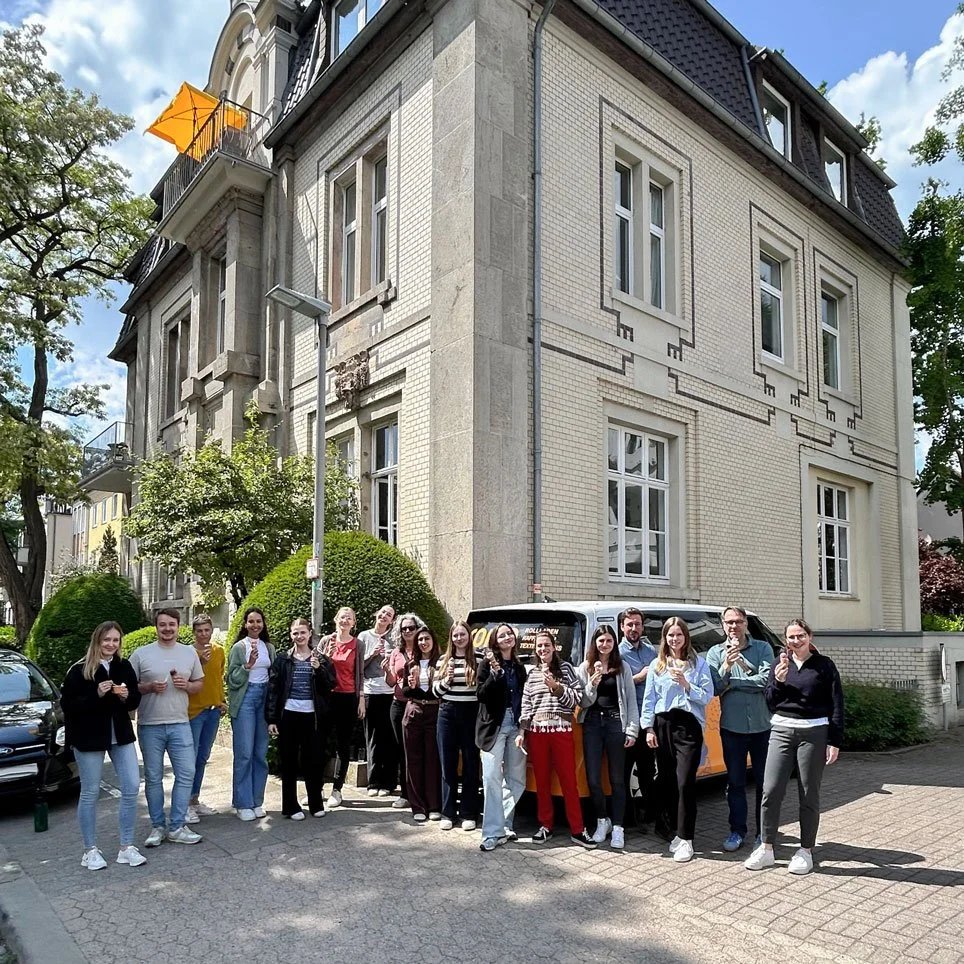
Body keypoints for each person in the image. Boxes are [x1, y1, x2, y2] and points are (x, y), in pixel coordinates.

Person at [744, 618, 844, 876]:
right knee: (770, 789)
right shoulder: (780, 664)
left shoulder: (824, 666)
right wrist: (777, 681)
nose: (796, 641)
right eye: (791, 637)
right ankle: (766, 848)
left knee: (808, 792)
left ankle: (806, 850)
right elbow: (769, 700)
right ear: (785, 640)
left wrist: (834, 740)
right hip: (781, 730)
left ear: (809, 637)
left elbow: (836, 704)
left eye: (800, 636)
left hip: (814, 732)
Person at [61, 621, 144, 870]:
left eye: (115, 640)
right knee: (90, 792)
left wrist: (126, 696)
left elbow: (134, 701)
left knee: (131, 786)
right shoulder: (79, 670)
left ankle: (126, 847)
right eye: (106, 640)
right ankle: (90, 850)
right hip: (88, 738)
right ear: (97, 641)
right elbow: (68, 706)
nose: (111, 644)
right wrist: (95, 695)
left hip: (119, 734)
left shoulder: (124, 666)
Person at [129, 609, 205, 847]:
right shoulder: (141, 654)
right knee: (153, 777)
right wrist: (149, 687)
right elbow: (130, 687)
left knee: (186, 773)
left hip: (180, 722)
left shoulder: (189, 653)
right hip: (150, 724)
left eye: (171, 624)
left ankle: (177, 826)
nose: (167, 629)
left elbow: (199, 684)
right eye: (162, 625)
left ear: (178, 626)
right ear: (156, 627)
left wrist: (188, 685)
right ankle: (157, 826)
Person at [641, 617, 713, 863]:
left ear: (686, 637)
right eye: (670, 635)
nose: (674, 639)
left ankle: (686, 838)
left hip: (688, 726)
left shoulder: (698, 664)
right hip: (663, 725)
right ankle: (671, 828)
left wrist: (686, 684)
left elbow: (706, 697)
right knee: (668, 780)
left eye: (679, 635)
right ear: (665, 638)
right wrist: (648, 728)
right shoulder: (657, 665)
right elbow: (649, 699)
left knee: (685, 782)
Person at [517, 629, 596, 849]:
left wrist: (558, 688)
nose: (543, 649)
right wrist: (522, 732)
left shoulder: (566, 669)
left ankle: (578, 830)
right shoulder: (532, 674)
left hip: (561, 730)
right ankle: (546, 825)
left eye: (547, 645)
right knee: (542, 781)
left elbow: (577, 698)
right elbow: (526, 706)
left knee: (569, 781)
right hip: (537, 733)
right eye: (539, 646)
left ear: (554, 647)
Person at [706, 605, 772, 852]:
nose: (734, 626)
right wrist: (725, 667)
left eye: (738, 621)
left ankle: (763, 833)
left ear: (745, 624)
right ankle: (737, 831)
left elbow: (766, 681)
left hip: (761, 726)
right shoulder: (715, 652)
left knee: (765, 783)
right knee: (734, 782)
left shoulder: (762, 648)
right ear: (723, 625)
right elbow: (714, 687)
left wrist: (733, 682)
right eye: (729, 622)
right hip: (731, 727)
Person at [576, 625, 640, 850]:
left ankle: (619, 827)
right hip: (592, 723)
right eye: (601, 640)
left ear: (614, 643)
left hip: (615, 723)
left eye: (609, 641)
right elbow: (583, 702)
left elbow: (631, 701)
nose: (604, 644)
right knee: (593, 778)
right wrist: (592, 683)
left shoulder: (623, 667)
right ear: (594, 643)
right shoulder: (584, 668)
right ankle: (603, 821)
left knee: (617, 779)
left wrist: (632, 730)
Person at [266, 617, 336, 819]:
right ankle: (290, 806)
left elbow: (331, 684)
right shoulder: (283, 660)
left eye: (302, 632)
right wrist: (272, 719)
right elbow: (273, 691)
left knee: (313, 760)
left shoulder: (321, 659)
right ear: (291, 635)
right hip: (288, 714)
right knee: (288, 762)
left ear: (310, 633)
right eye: (295, 633)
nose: (299, 636)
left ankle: (315, 803)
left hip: (312, 716)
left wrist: (319, 669)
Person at [476, 623, 528, 853]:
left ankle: (504, 825)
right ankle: (491, 833)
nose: (507, 637)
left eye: (509, 634)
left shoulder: (518, 666)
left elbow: (524, 697)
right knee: (491, 778)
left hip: (515, 725)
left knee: (517, 779)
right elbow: (481, 695)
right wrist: (494, 676)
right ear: (495, 641)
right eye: (502, 635)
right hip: (493, 727)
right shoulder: (487, 664)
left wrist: (523, 726)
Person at [226, 607, 277, 822]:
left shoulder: (269, 647)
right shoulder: (239, 647)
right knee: (244, 753)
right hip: (245, 699)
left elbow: (274, 676)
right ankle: (242, 803)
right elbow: (232, 680)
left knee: (259, 753)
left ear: (263, 624)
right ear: (245, 625)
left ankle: (257, 801)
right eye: (251, 621)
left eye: (259, 621)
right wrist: (248, 665)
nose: (255, 625)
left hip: (264, 699)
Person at [433, 620, 480, 831]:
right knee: (447, 764)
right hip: (447, 713)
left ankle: (469, 812)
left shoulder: (478, 659)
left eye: (462, 634)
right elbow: (435, 693)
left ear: (469, 636)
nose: (459, 638)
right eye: (455, 635)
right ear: (451, 638)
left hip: (471, 713)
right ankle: (448, 812)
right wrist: (446, 681)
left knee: (471, 764)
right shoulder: (443, 660)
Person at [318, 606, 365, 807]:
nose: (345, 621)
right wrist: (325, 657)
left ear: (354, 623)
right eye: (342, 617)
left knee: (343, 745)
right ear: (335, 620)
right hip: (327, 698)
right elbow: (316, 666)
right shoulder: (325, 641)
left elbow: (361, 673)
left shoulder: (358, 645)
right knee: (320, 742)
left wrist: (361, 699)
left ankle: (337, 789)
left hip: (348, 698)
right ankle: (316, 787)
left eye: (349, 618)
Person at [618, 607, 658, 832]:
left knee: (646, 771)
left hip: (647, 720)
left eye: (637, 624)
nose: (634, 628)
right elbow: (614, 687)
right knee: (623, 772)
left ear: (642, 626)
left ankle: (650, 815)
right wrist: (638, 677)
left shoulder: (650, 651)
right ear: (622, 627)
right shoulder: (617, 653)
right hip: (627, 723)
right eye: (629, 624)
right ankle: (626, 819)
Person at [186, 614, 226, 824]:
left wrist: (221, 700)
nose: (203, 634)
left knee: (203, 758)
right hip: (194, 712)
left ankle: (195, 800)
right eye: (199, 631)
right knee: (189, 759)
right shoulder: (187, 653)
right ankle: (184, 804)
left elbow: (217, 678)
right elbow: (185, 680)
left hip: (213, 711)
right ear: (194, 632)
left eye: (206, 630)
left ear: (211, 631)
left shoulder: (219, 651)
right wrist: (199, 661)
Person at [383, 612, 426, 811]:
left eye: (411, 628)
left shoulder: (424, 649)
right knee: (402, 750)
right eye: (404, 629)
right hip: (399, 704)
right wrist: (387, 672)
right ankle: (405, 793)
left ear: (418, 629)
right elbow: (391, 682)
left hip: (420, 705)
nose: (407, 631)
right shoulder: (396, 653)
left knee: (419, 750)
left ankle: (421, 791)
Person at [401, 626, 443, 822]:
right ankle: (417, 806)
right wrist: (412, 686)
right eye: (419, 640)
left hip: (434, 712)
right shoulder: (411, 664)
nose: (423, 642)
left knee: (433, 760)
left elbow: (442, 691)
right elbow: (405, 692)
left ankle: (434, 805)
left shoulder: (442, 662)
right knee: (414, 761)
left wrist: (423, 691)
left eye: (426, 638)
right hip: (414, 712)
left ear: (433, 641)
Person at [359, 604, 397, 798]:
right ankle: (373, 781)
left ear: (392, 620)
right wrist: (371, 655)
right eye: (382, 612)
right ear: (376, 614)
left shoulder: (394, 638)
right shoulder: (364, 637)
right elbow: (358, 665)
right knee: (373, 737)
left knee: (390, 737)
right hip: (370, 691)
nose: (384, 616)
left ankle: (389, 782)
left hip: (390, 691)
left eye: (389, 615)